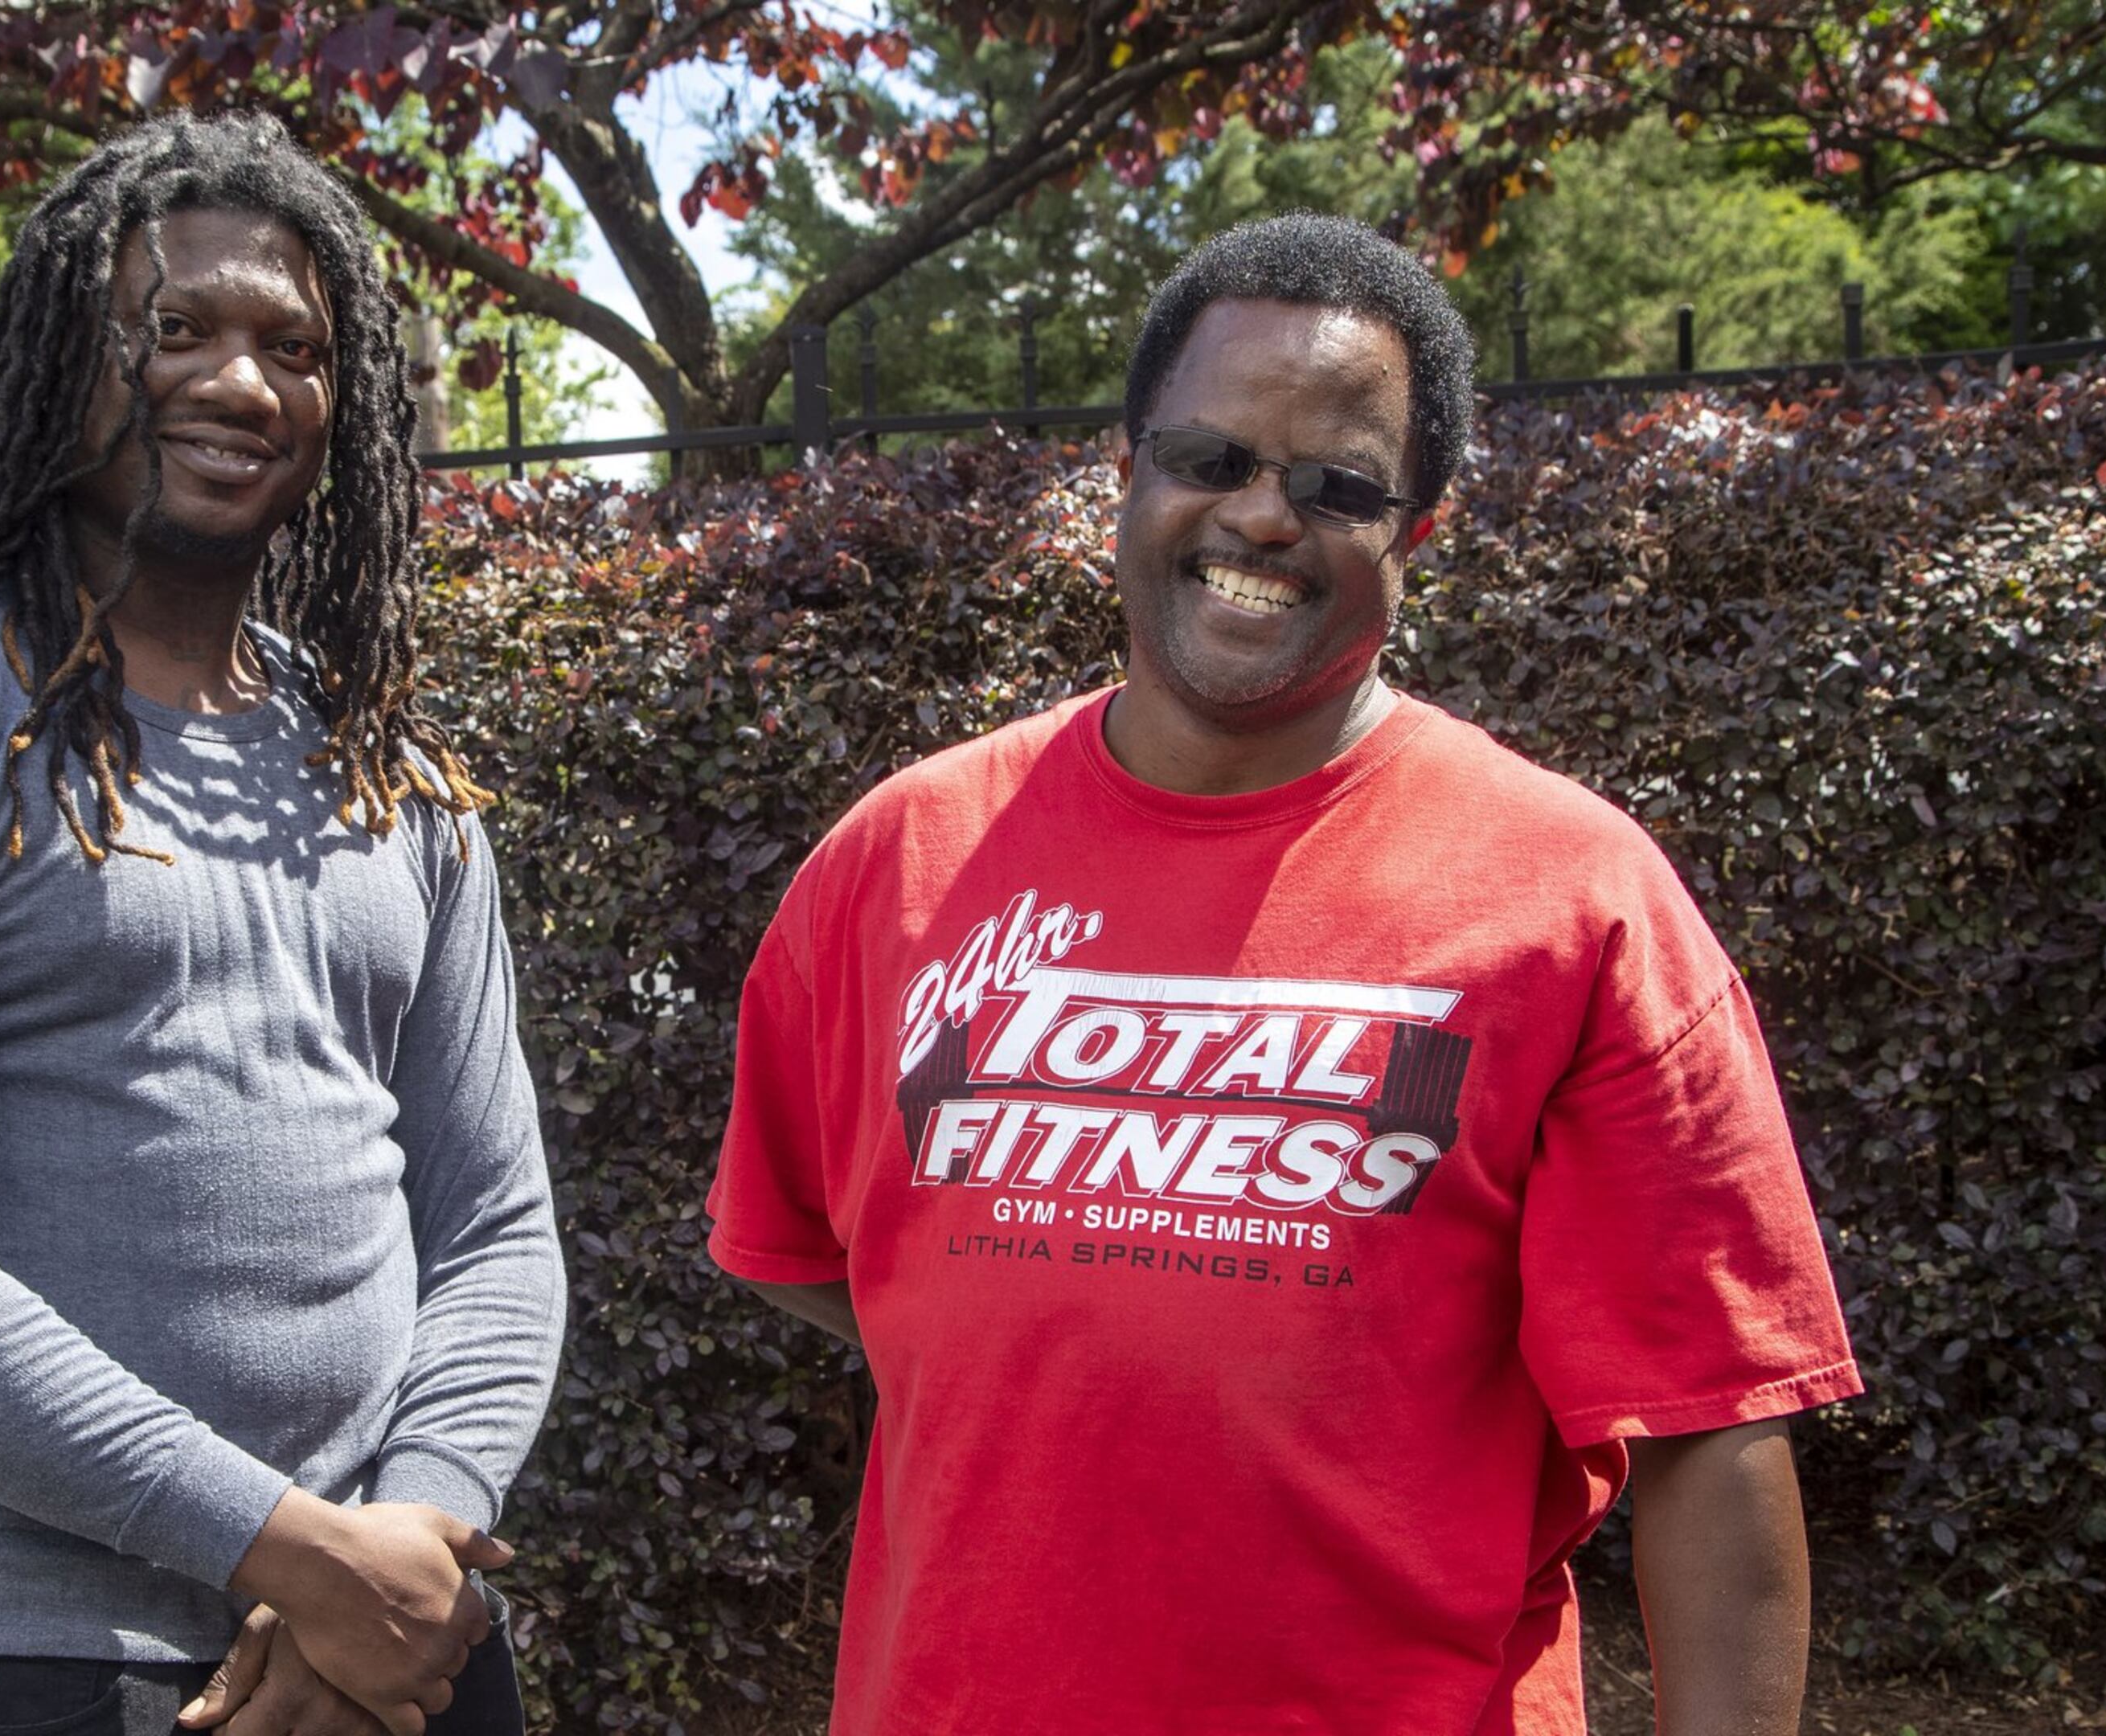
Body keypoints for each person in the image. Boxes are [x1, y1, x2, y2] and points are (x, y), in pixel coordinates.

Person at [705, 212, 1863, 1734]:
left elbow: (1715, 1440)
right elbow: (824, 1261)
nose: (1261, 515)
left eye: (1335, 487)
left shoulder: (1576, 900)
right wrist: (1081, 1321)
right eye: (1213, 459)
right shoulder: (897, 864)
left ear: (1416, 530)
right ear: (1127, 471)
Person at [0, 112, 564, 1736]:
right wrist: (298, 1560)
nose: (242, 384)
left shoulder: (390, 765)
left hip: (395, 1648)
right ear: (56, 360)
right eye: (178, 329)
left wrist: (406, 1548)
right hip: (33, 1663)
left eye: (294, 346)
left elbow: (496, 1224)